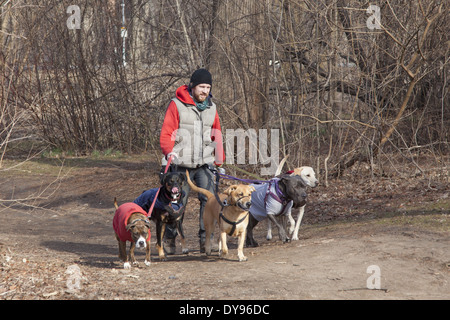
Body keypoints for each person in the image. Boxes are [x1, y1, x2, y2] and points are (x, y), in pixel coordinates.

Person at [159, 68, 225, 253]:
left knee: (210, 202)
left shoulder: (212, 107)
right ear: (193, 86)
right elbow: (167, 131)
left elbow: (216, 134)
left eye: (208, 87)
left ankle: (207, 241)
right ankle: (170, 240)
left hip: (204, 163)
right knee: (177, 203)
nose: (205, 91)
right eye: (201, 86)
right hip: (181, 165)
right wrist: (169, 151)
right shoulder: (177, 104)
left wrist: (219, 159)